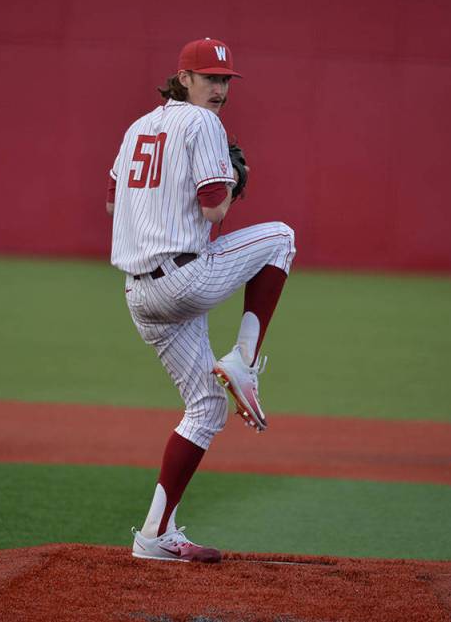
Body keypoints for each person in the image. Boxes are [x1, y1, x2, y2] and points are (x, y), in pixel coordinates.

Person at [107, 37, 295, 563]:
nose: (219, 89)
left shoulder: (137, 128)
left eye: (226, 80)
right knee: (281, 238)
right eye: (210, 78)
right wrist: (233, 182)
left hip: (140, 295)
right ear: (183, 78)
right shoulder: (202, 124)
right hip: (185, 280)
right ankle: (245, 359)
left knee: (206, 406)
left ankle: (154, 535)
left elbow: (110, 203)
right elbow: (215, 211)